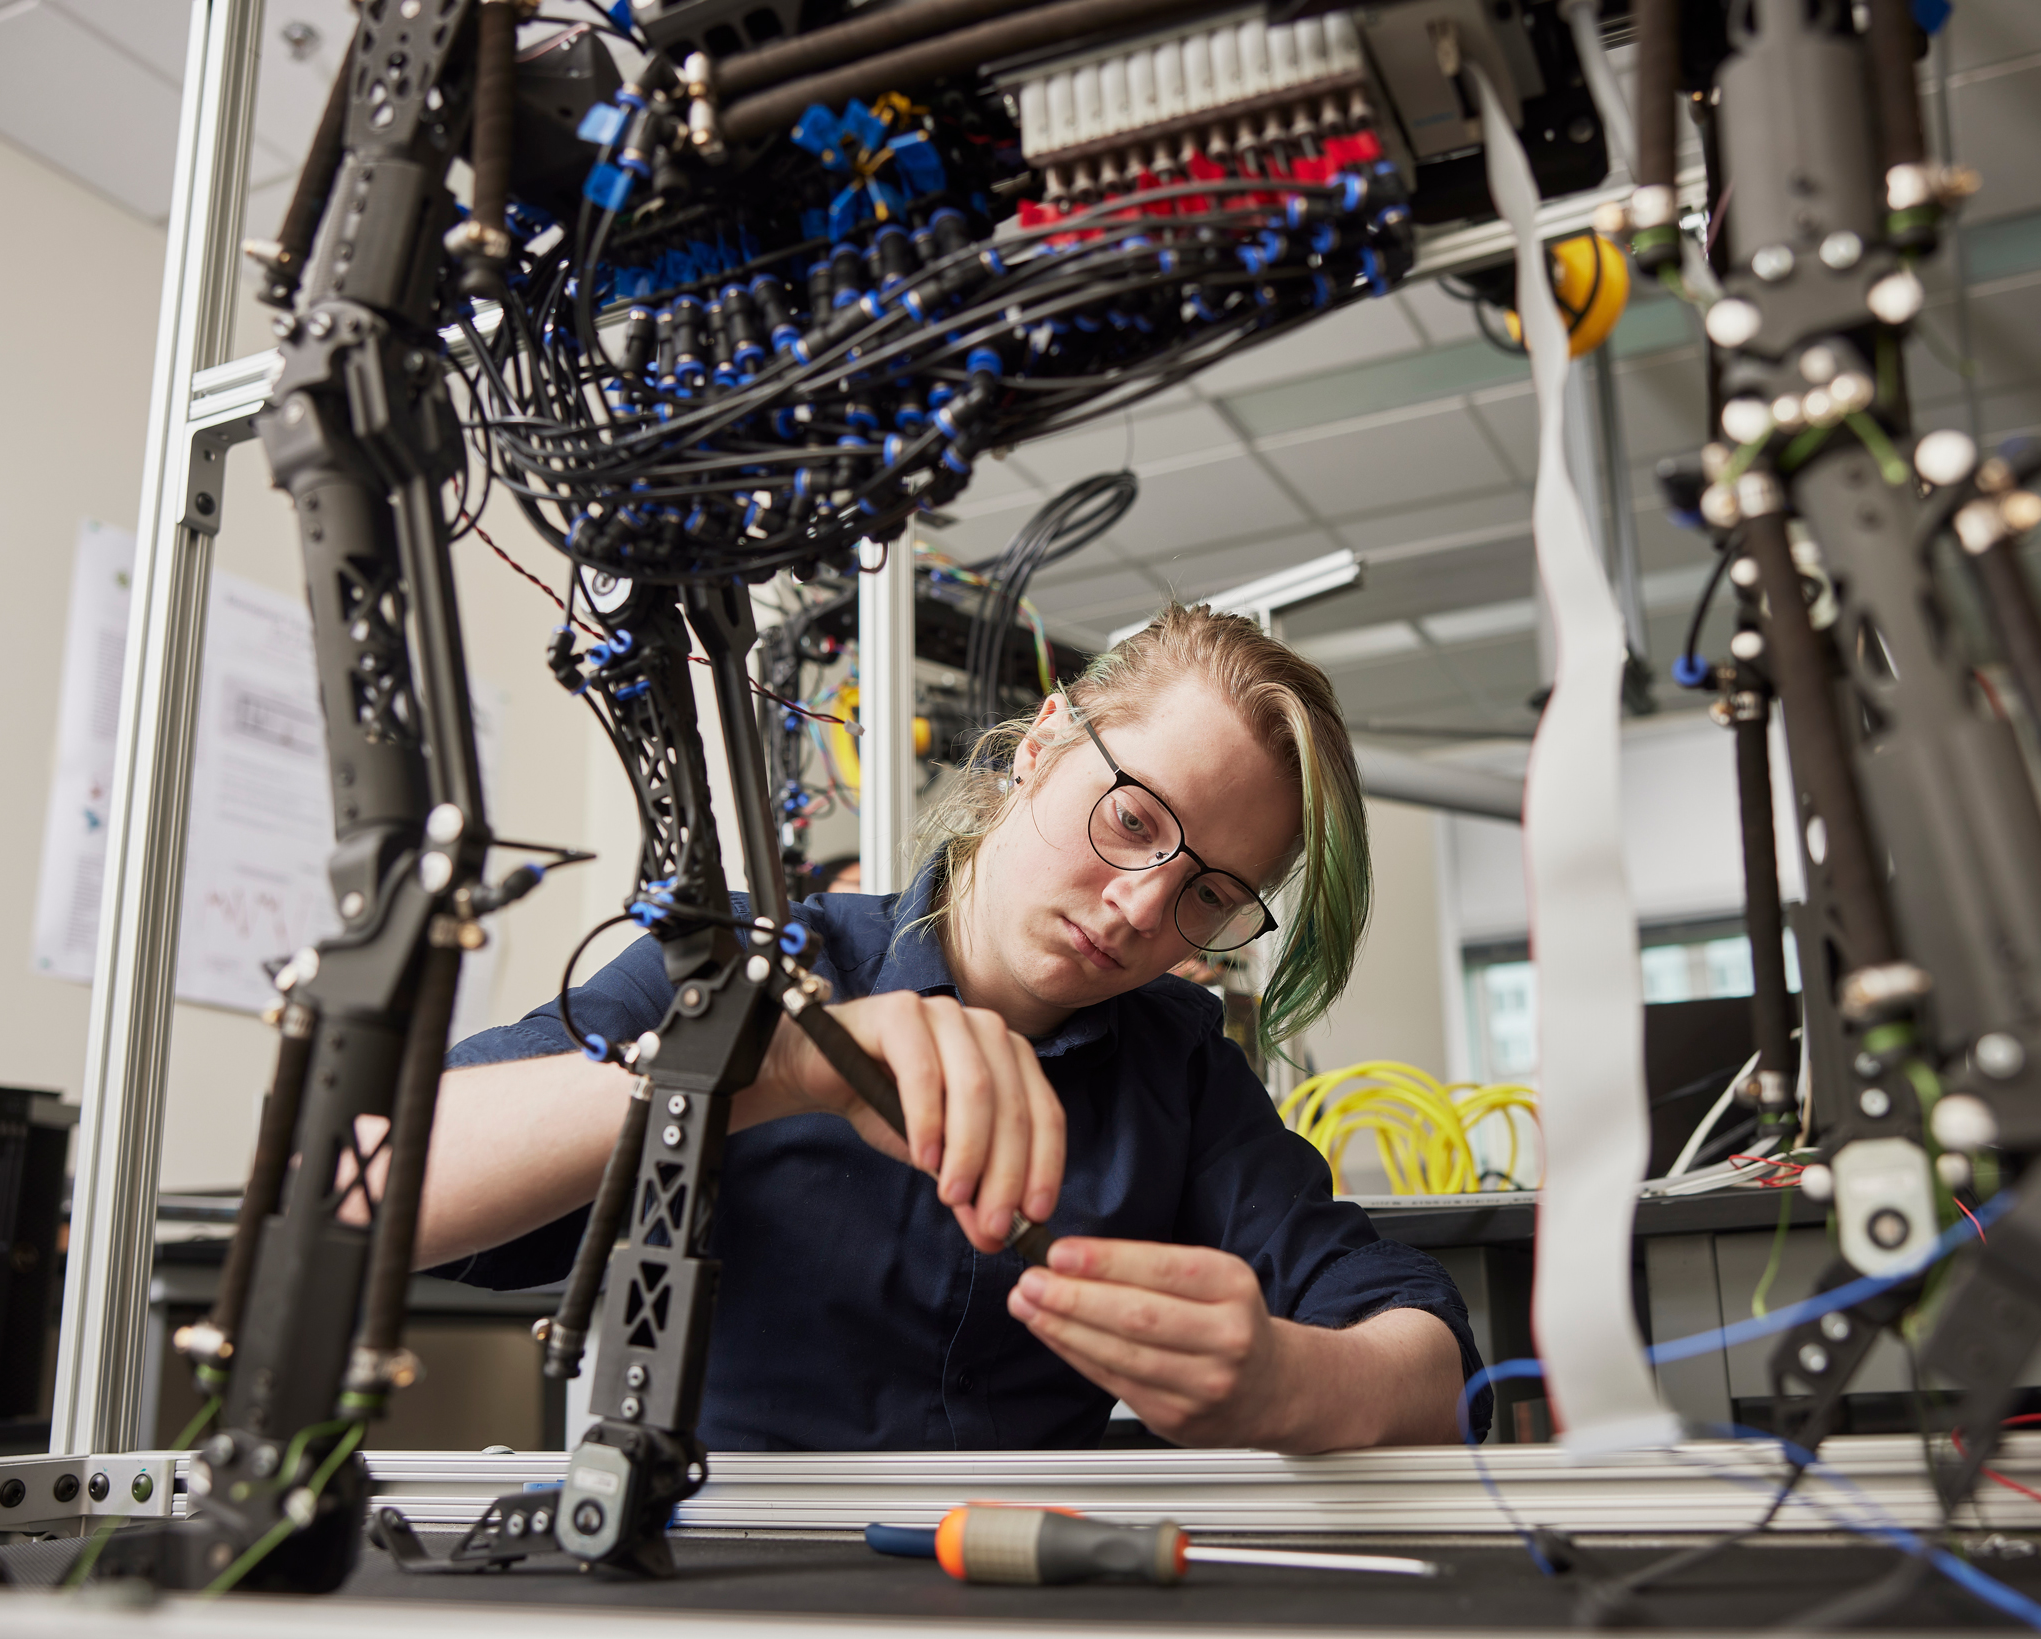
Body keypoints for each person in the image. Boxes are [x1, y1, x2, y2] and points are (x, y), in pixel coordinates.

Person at [411, 605, 1482, 1452]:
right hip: (714, 1575)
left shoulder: (1181, 1068)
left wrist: (1283, 1382)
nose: (1143, 909)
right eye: (1132, 819)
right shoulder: (751, 963)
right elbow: (375, 1184)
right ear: (1045, 743)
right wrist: (764, 1067)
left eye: (1210, 893)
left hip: (1010, 1583)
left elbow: (1424, 1353)